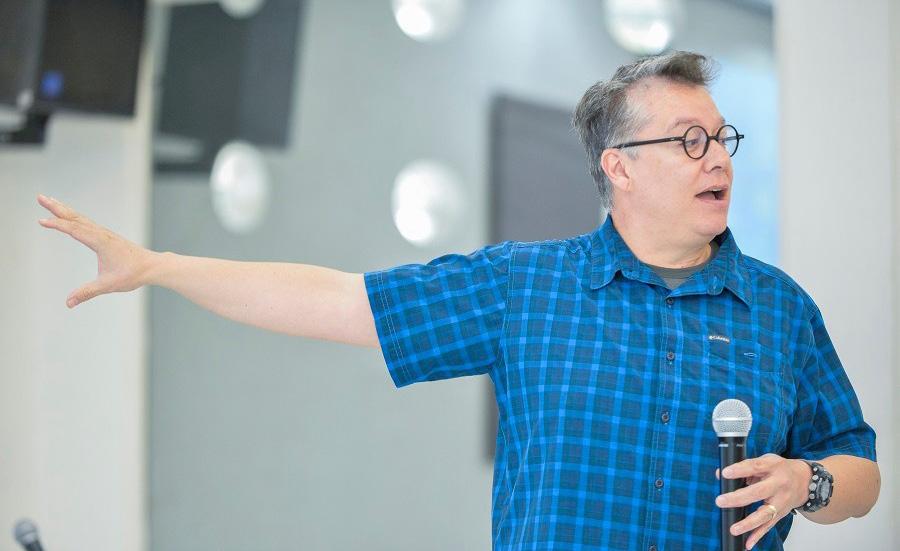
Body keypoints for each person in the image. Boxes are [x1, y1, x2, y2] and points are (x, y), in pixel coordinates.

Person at [37, 51, 879, 550]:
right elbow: (339, 302)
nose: (718, 158)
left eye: (722, 138)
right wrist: (159, 265)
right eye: (690, 141)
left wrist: (807, 481)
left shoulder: (781, 309)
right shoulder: (526, 286)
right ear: (618, 166)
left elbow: (862, 474)